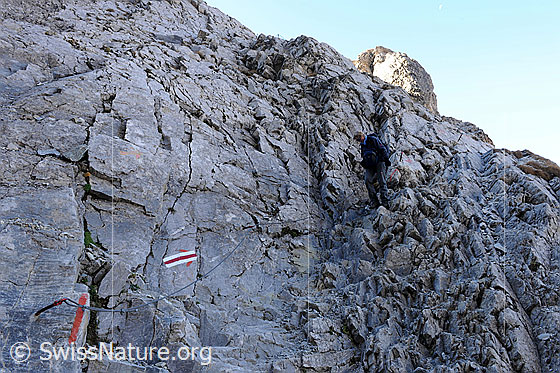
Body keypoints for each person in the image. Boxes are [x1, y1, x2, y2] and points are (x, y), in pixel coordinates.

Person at [354, 131, 391, 208]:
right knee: (367, 180)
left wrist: (386, 160)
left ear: (362, 136)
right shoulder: (362, 146)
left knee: (382, 181)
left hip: (380, 162)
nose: (359, 141)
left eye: (359, 138)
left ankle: (385, 201)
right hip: (370, 165)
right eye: (357, 140)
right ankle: (374, 201)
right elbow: (364, 156)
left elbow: (382, 149)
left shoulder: (373, 139)